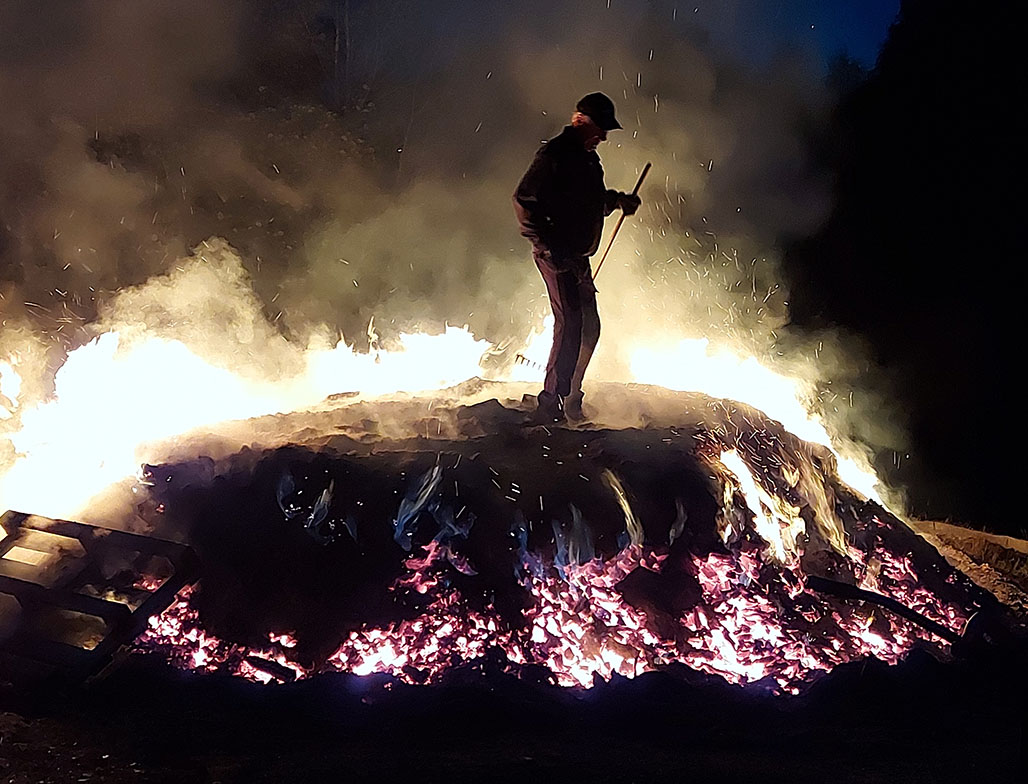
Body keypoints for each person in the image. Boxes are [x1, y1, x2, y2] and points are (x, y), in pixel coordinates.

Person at [513, 92, 641, 423]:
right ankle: (551, 400)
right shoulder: (555, 154)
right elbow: (524, 199)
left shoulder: (587, 160)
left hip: (577, 257)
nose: (604, 136)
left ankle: (571, 395)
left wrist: (618, 201)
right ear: (582, 122)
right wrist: (547, 246)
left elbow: (590, 201)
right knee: (570, 323)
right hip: (557, 255)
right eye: (601, 128)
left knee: (590, 327)